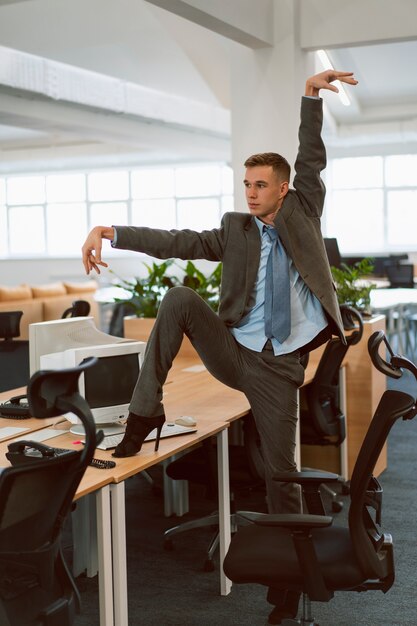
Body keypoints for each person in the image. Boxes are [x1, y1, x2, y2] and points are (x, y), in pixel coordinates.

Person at [82, 69, 358, 624]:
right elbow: (180, 242)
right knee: (181, 296)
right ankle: (143, 415)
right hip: (237, 353)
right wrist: (112, 230)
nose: (251, 192)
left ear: (282, 188)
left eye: (260, 184)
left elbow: (312, 156)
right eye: (246, 184)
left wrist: (308, 96)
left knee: (284, 479)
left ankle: (286, 590)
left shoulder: (304, 211)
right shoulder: (236, 230)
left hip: (280, 368)